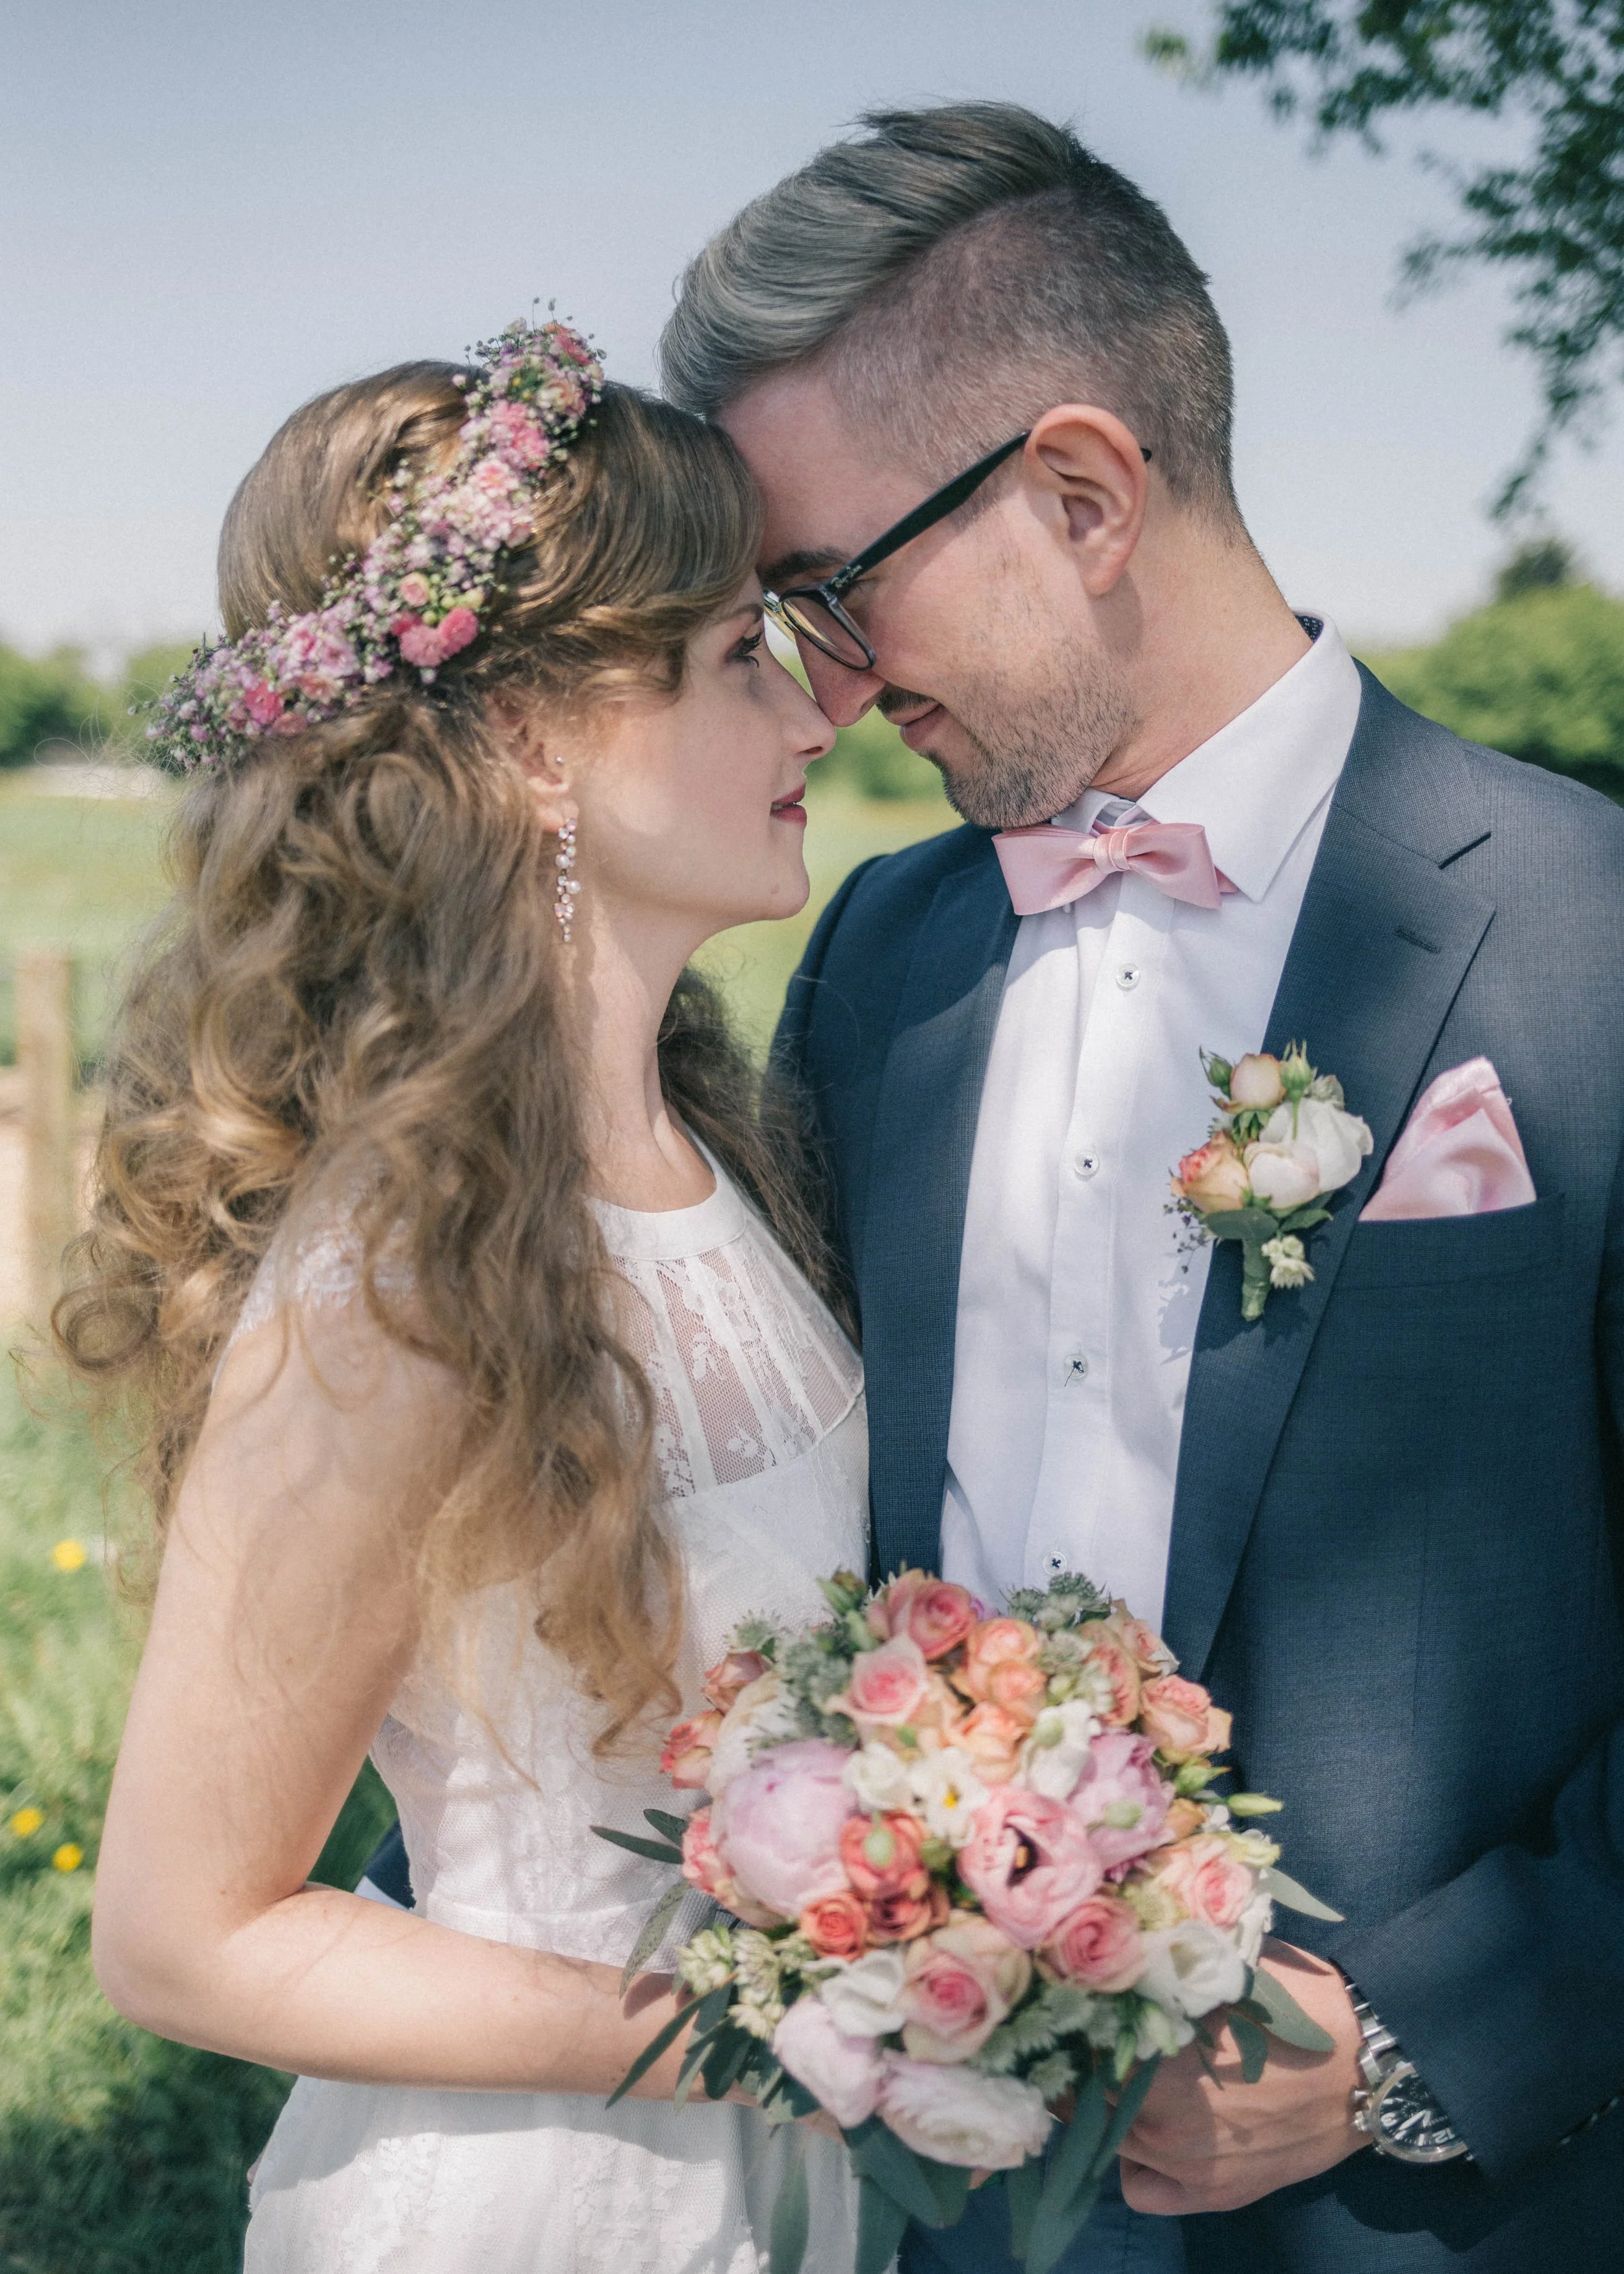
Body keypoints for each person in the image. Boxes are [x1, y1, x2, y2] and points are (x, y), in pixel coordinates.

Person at [658, 101, 1624, 2274]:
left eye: (834, 582)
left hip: (1436, 2208)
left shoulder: (1589, 935)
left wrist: (1405, 2036)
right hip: (937, 2191)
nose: (822, 673)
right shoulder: (876, 960)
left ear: (1079, 495)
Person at [68, 322, 866, 2273]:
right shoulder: (398, 1283)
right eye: (727, 656)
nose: (811, 716)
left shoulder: (725, 1150)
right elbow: (181, 1929)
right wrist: (762, 2036)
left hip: (782, 2179)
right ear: (523, 744)